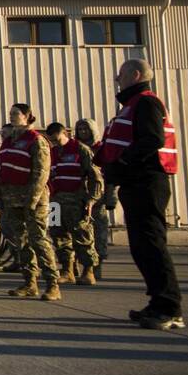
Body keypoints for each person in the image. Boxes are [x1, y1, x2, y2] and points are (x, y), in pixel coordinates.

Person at [96, 58, 183, 330]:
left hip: (147, 182)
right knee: (142, 246)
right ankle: (157, 302)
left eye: (120, 74)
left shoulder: (146, 103)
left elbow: (152, 139)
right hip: (135, 184)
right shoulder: (131, 106)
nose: (116, 79)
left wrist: (121, 162)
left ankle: (169, 308)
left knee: (152, 244)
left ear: (135, 75)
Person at [0, 103, 61, 301]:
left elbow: (41, 173)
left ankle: (52, 284)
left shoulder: (36, 140)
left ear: (27, 116)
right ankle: (29, 282)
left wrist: (32, 200)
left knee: (38, 240)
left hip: (32, 201)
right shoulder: (9, 141)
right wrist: (0, 198)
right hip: (11, 199)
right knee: (20, 242)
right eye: (11, 113)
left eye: (17, 113)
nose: (13, 116)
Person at [45, 121, 104, 286]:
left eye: (57, 139)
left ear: (65, 134)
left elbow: (95, 177)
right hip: (55, 202)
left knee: (82, 236)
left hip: (76, 201)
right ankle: (67, 270)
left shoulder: (81, 150)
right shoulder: (51, 152)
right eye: (52, 141)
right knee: (59, 237)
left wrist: (92, 199)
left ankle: (88, 271)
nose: (55, 143)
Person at [75, 117, 116, 278]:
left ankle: (97, 264)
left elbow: (109, 175)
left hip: (98, 197)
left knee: (99, 232)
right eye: (80, 130)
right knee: (80, 232)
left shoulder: (101, 149)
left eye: (86, 129)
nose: (83, 132)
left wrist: (111, 197)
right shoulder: (75, 149)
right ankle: (80, 264)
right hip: (79, 196)